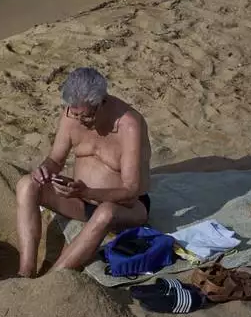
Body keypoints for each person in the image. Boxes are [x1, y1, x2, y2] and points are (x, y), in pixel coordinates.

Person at [14, 67, 151, 277]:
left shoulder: (129, 126)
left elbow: (131, 191)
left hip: (125, 208)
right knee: (27, 185)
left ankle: (53, 278)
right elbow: (55, 160)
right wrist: (44, 170)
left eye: (87, 117)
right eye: (75, 114)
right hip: (81, 199)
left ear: (102, 102)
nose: (80, 121)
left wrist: (88, 192)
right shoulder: (72, 115)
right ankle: (25, 271)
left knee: (105, 212)